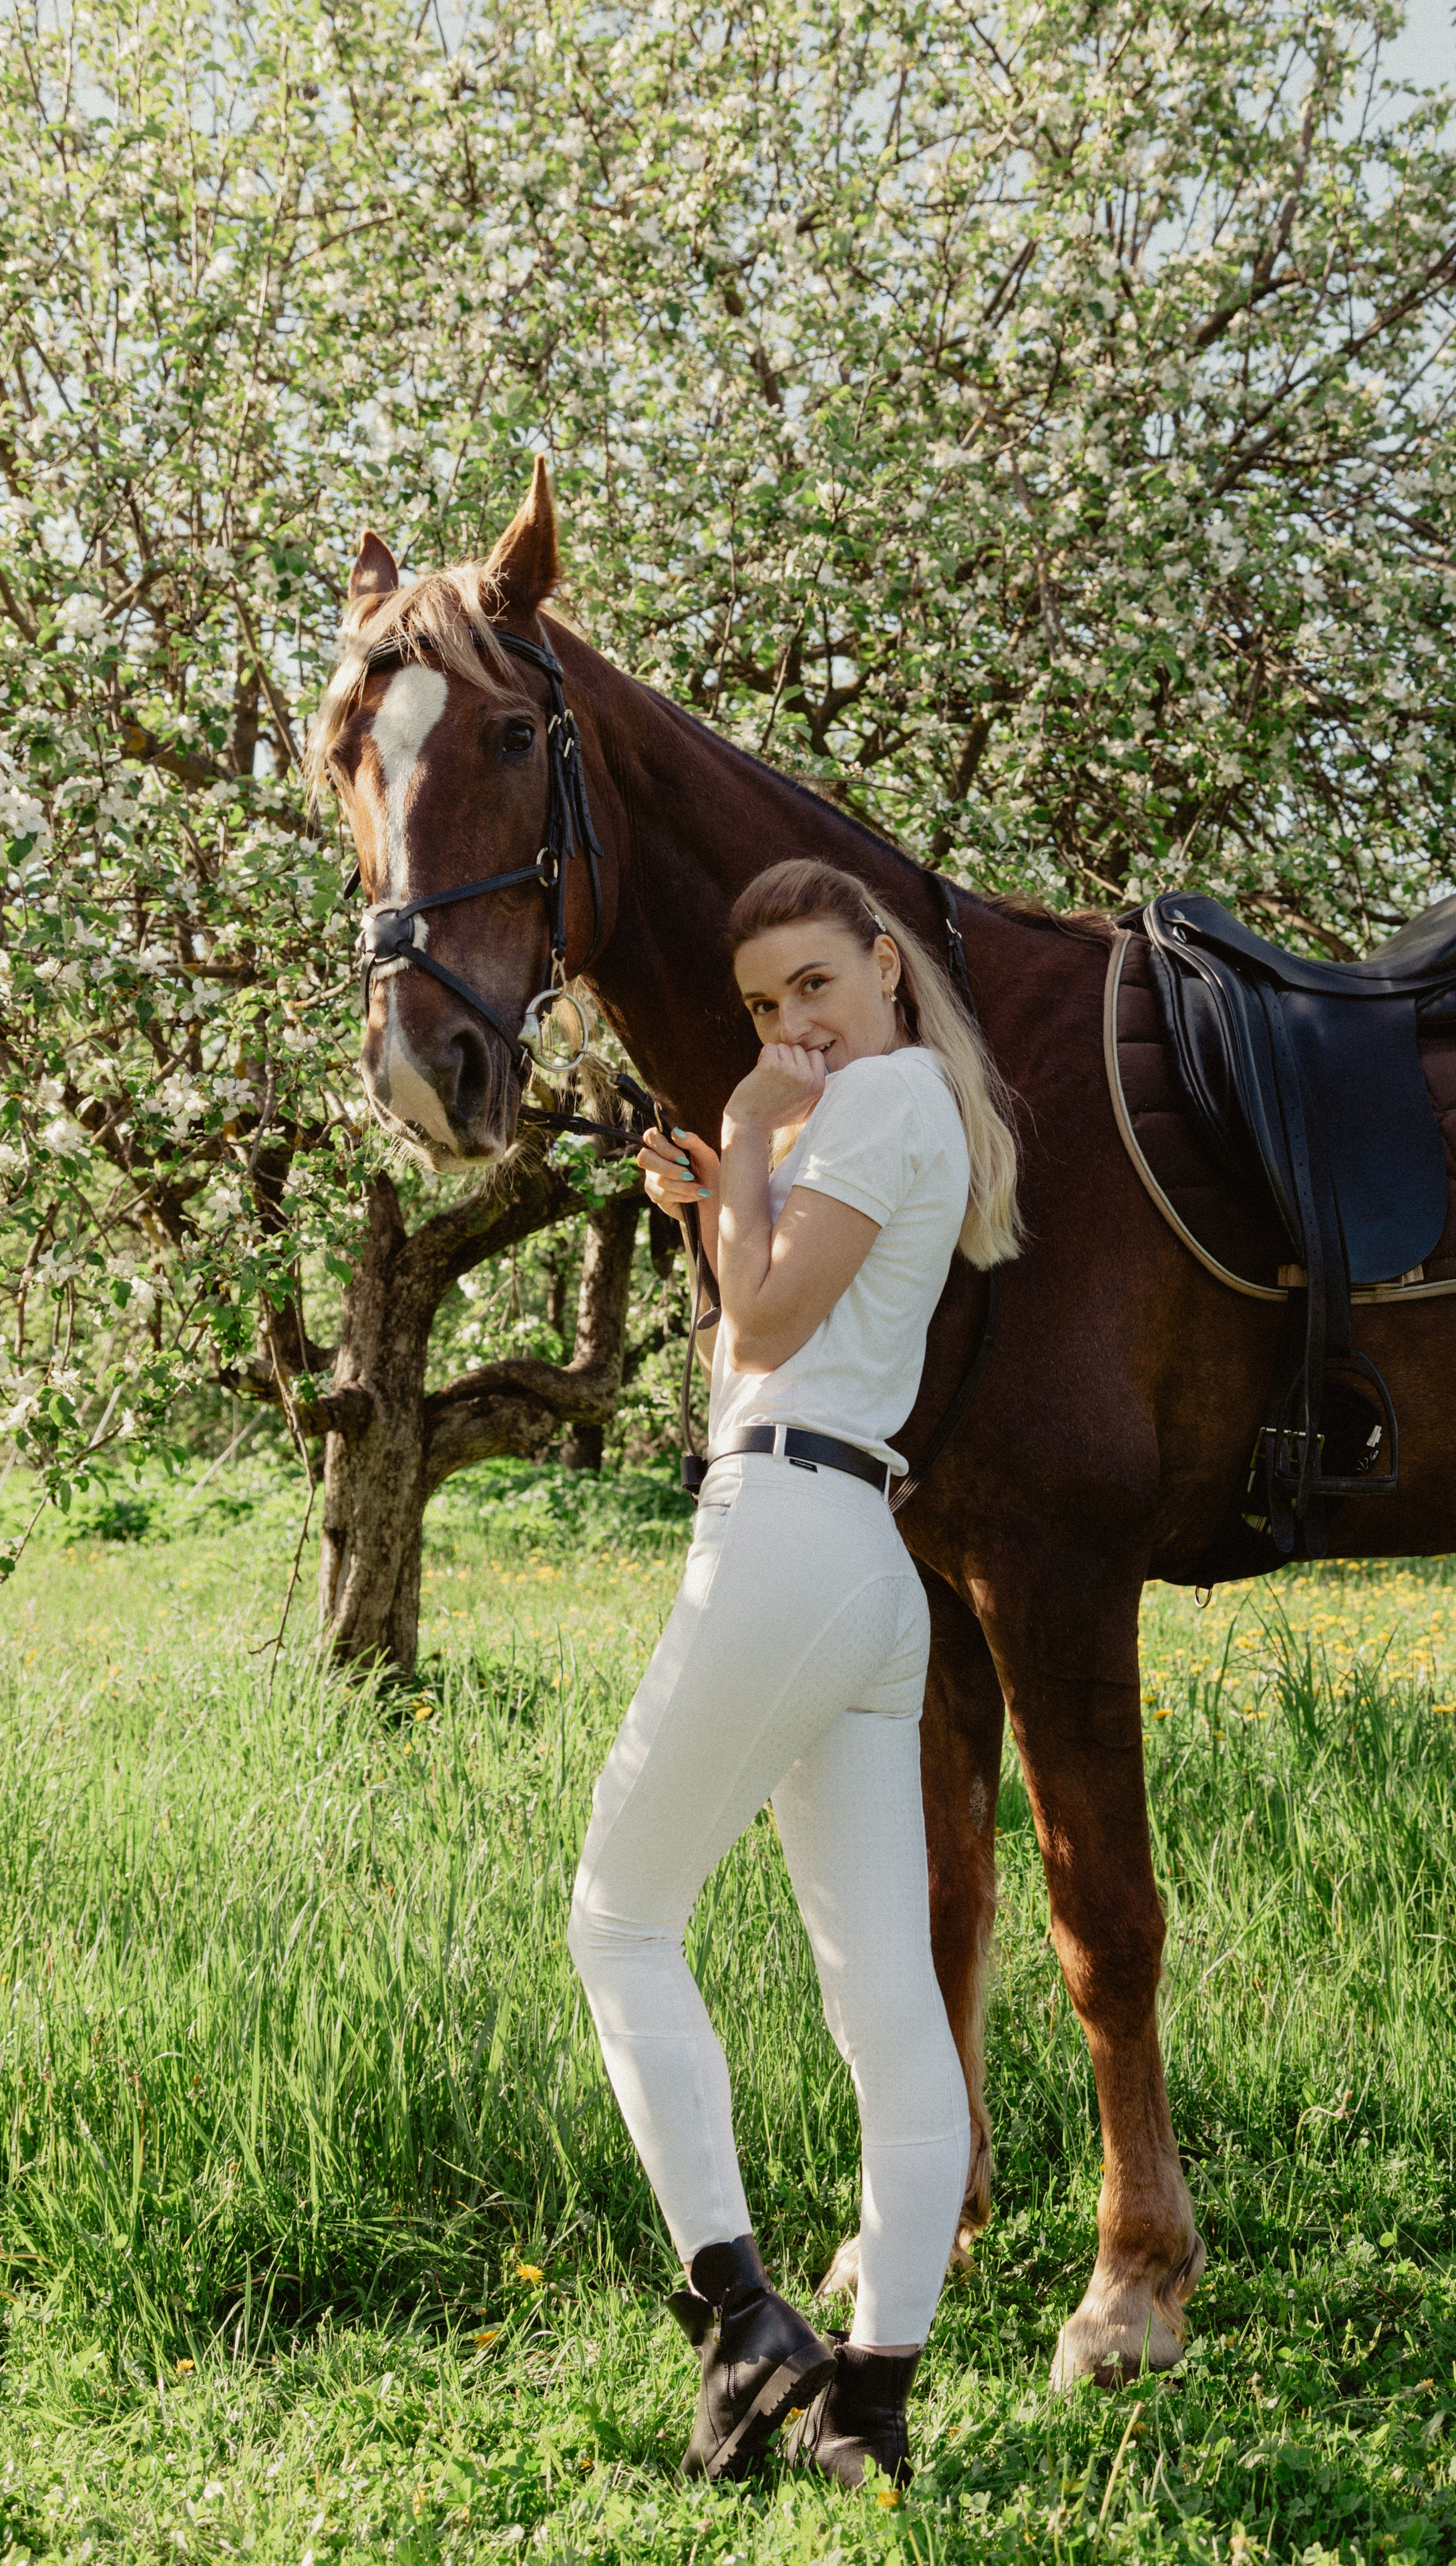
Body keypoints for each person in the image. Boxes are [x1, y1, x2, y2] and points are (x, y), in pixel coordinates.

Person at [566, 857, 1021, 2487]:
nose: (789, 1026)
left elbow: (757, 1335)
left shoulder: (883, 1102)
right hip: (851, 1553)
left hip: (790, 1539)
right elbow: (749, 1335)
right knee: (878, 1994)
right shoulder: (886, 1115)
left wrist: (752, 1139)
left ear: (885, 967)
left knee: (616, 1919)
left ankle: (743, 2311)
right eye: (763, 1007)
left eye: (812, 985)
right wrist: (719, 1201)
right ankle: (870, 2402)